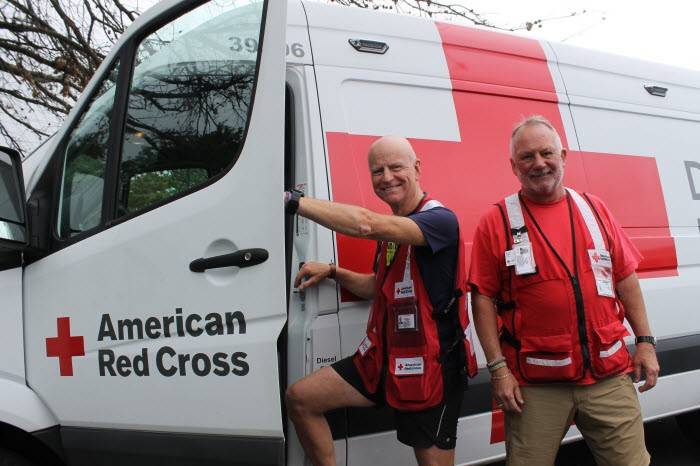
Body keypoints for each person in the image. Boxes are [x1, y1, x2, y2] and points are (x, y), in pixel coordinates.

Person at [469, 115, 660, 466]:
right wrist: (498, 371)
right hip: (535, 387)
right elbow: (481, 298)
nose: (539, 163)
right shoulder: (496, 221)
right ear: (514, 166)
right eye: (527, 157)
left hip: (608, 378)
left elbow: (625, 278)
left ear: (564, 155)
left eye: (547, 153)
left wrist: (645, 343)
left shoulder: (595, 209)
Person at [284, 135, 477, 466]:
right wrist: (333, 272)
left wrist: (292, 201)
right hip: (383, 359)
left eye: (396, 167)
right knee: (301, 398)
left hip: (430, 366)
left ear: (417, 169)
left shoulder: (439, 220)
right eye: (378, 171)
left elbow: (365, 224)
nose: (387, 177)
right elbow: (378, 286)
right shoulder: (395, 230)